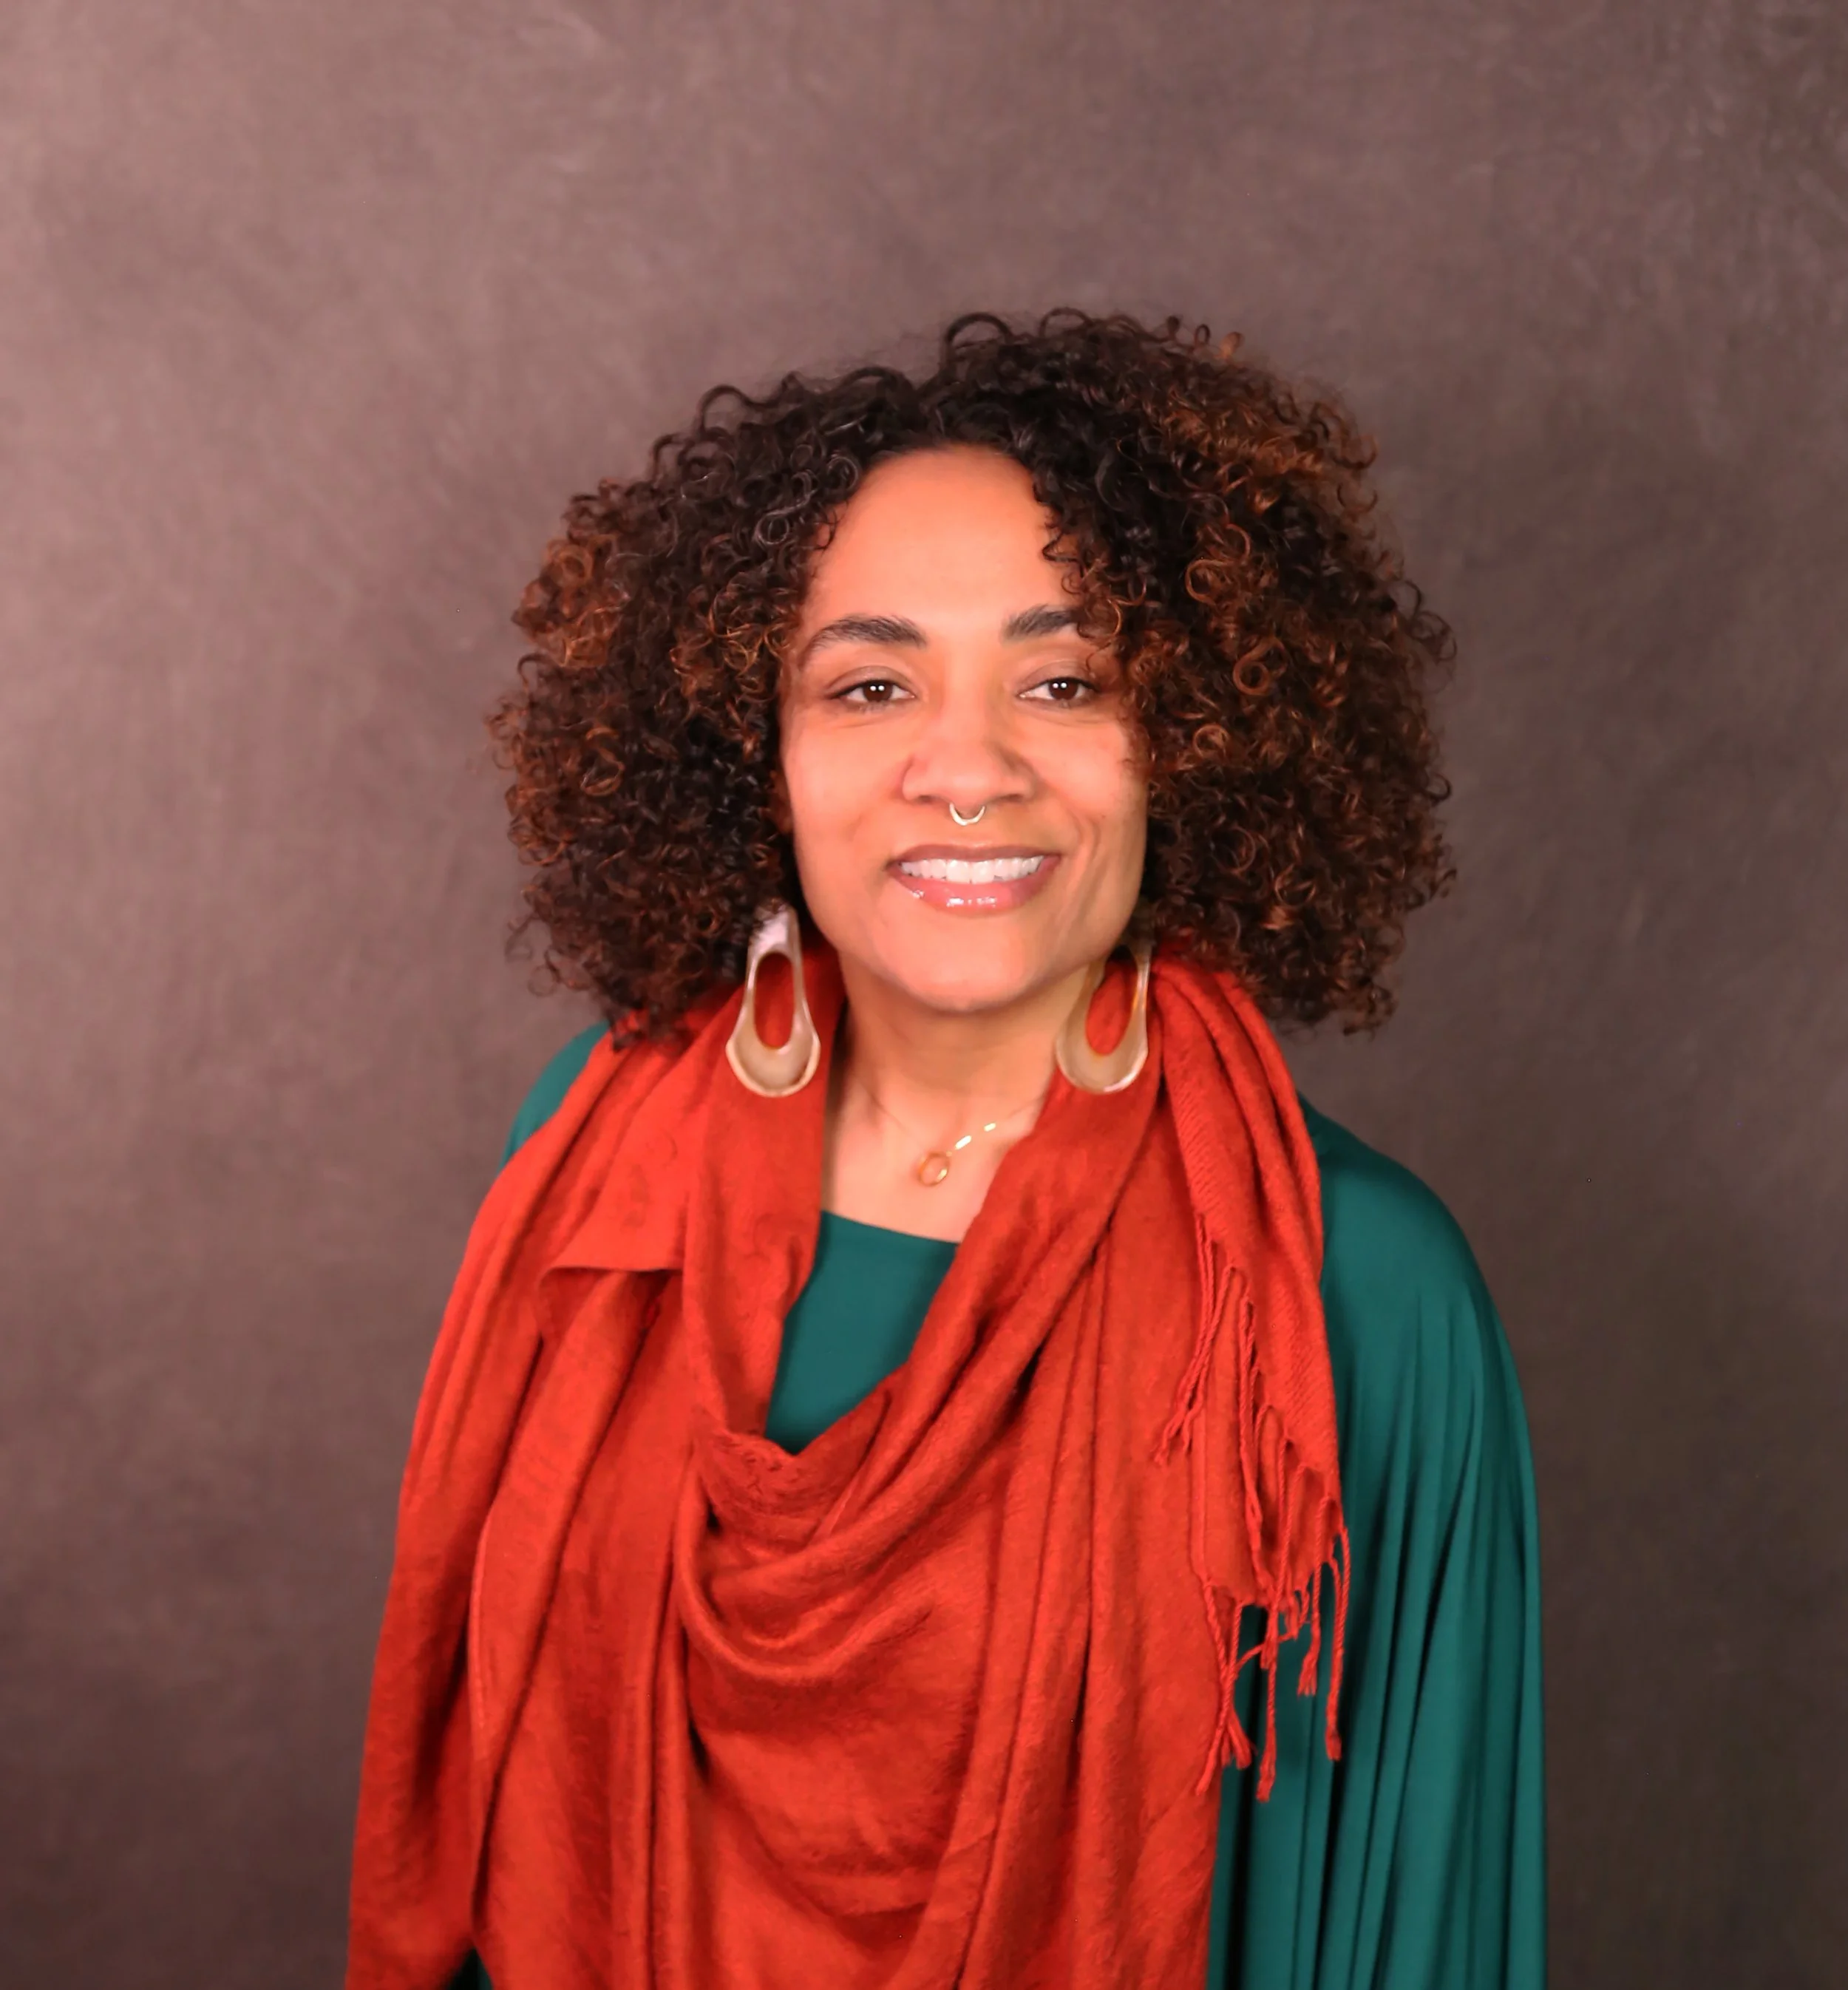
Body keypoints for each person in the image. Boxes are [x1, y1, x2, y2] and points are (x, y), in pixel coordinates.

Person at [347, 311, 1544, 1989]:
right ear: (751, 750)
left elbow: (1416, 1926)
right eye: (869, 681)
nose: (965, 767)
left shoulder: (1351, 1281)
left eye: (1063, 681)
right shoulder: (592, 1157)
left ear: (1186, 740)